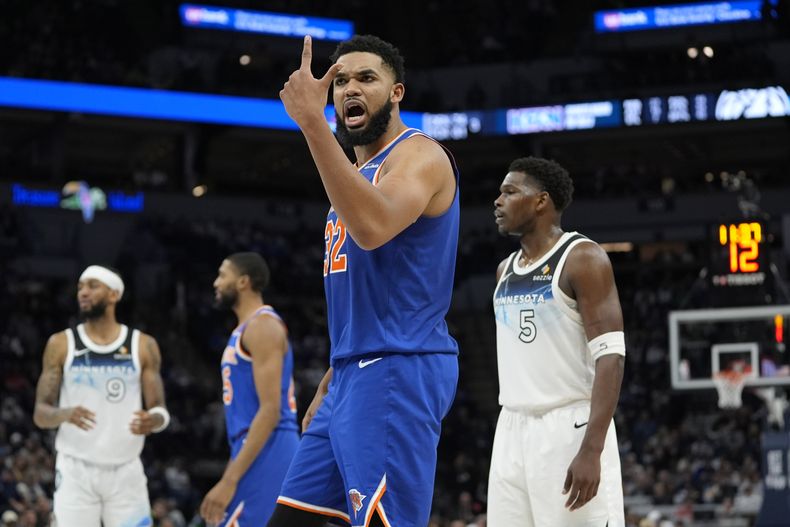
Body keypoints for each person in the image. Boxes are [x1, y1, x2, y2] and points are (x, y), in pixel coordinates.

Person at [272, 34, 460, 527]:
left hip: (397, 366)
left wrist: (313, 125)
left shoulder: (418, 155)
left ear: (397, 92)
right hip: (353, 370)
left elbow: (374, 228)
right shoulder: (353, 176)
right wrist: (334, 376)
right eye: (340, 81)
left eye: (367, 78)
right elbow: (368, 290)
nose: (350, 88)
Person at [488, 157, 626, 526]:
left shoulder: (583, 257)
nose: (497, 201)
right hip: (512, 426)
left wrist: (592, 449)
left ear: (541, 201)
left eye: (510, 191)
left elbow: (611, 357)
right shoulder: (504, 270)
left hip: (568, 427)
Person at [33, 265, 168, 527]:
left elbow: (160, 410)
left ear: (114, 294)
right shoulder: (61, 344)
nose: (83, 292)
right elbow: (40, 414)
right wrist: (65, 414)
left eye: (93, 286)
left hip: (126, 471)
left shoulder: (143, 344)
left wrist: (154, 420)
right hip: (76, 471)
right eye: (80, 287)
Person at [199, 253, 300, 526]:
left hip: (272, 445)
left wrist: (228, 480)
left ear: (243, 281)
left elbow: (270, 411)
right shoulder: (245, 329)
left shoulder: (263, 326)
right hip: (252, 446)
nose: (216, 282)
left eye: (222, 275)